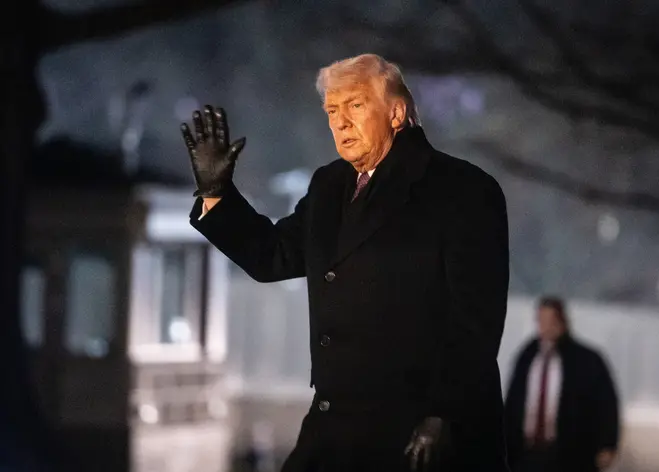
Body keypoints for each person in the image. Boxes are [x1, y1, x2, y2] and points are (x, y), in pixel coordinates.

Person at [179, 53, 510, 472]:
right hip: (336, 423)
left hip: (417, 431)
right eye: (332, 111)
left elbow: (475, 321)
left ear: (396, 113)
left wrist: (443, 414)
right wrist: (217, 193)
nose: (341, 122)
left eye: (355, 105)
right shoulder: (330, 184)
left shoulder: (462, 189)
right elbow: (273, 256)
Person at [504, 297, 620, 472]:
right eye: (541, 320)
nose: (545, 326)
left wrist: (608, 443)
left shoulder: (586, 361)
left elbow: (606, 405)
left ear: (562, 322)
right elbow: (513, 401)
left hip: (571, 454)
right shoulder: (528, 355)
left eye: (550, 320)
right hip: (526, 453)